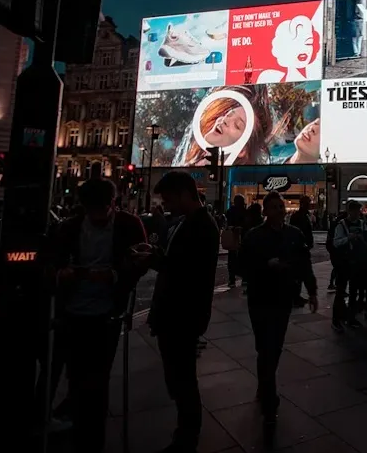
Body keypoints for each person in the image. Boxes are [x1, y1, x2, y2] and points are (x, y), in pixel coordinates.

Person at [51, 178, 148, 452]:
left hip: (107, 312)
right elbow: (53, 262)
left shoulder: (129, 225)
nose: (98, 216)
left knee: (98, 376)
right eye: (92, 210)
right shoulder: (69, 228)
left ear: (113, 204)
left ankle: (92, 434)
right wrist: (62, 273)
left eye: (103, 209)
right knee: (77, 373)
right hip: (72, 311)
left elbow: (140, 261)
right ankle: (77, 419)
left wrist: (115, 275)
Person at [142, 172, 220, 452]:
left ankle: (186, 437)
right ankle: (185, 432)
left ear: (185, 193)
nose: (167, 205)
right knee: (178, 378)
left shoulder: (201, 225)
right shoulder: (188, 222)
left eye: (169, 199)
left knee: (182, 380)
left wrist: (153, 259)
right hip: (177, 314)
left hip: (182, 315)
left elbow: (185, 272)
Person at [239, 191, 317, 432]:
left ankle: (265, 383)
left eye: (281, 207)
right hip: (260, 299)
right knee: (265, 347)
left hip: (282, 299)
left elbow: (305, 264)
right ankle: (270, 403)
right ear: (264, 211)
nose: (278, 211)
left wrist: (312, 291)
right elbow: (242, 266)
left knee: (274, 347)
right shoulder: (254, 236)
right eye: (273, 207)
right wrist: (266, 266)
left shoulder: (294, 235)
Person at [331, 201, 367, 331]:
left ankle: (351, 317)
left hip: (357, 261)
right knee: (341, 290)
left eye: (359, 211)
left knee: (354, 291)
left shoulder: (362, 224)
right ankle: (336, 319)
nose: (358, 214)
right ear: (350, 211)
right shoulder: (342, 225)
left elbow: (366, 239)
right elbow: (336, 242)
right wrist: (349, 238)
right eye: (356, 211)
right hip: (345, 261)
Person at [288, 195, 314, 307]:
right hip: (299, 249)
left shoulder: (304, 215)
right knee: (298, 274)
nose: (309, 204)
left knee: (301, 274)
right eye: (308, 202)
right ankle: (295, 297)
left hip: (303, 247)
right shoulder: (298, 216)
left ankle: (296, 296)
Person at [224, 195, 247, 288]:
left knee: (232, 258)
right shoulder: (245, 212)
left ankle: (232, 279)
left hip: (233, 236)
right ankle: (243, 278)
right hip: (242, 237)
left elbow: (227, 223)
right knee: (243, 258)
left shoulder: (230, 211)